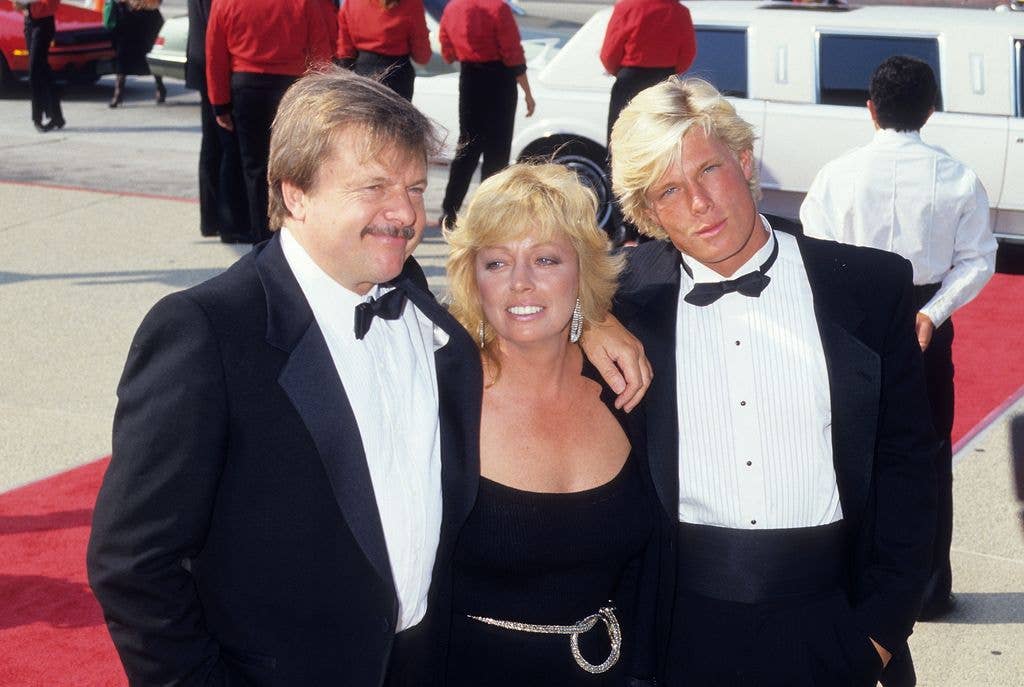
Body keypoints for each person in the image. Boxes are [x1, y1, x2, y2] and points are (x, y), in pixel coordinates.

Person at [86, 68, 651, 686]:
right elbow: (133, 564)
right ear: (295, 194)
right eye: (375, 186)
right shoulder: (207, 332)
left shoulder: (421, 310)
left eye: (415, 187)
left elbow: (529, 308)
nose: (405, 213)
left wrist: (593, 320)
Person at [607, 77, 938, 686]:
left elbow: (910, 470)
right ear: (648, 213)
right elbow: (507, 304)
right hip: (675, 635)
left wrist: (879, 633)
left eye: (708, 170)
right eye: (669, 190)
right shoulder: (618, 301)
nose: (698, 203)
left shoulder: (867, 287)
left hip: (833, 624)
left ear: (744, 160)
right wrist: (585, 320)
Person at [441, 162, 662, 686]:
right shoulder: (439, 396)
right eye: (496, 262)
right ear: (473, 278)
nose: (520, 282)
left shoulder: (628, 385)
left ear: (581, 271)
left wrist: (598, 321)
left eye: (545, 259)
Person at [800, 55, 997, 621]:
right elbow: (978, 261)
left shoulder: (837, 174)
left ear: (871, 110)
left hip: (855, 321)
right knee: (929, 456)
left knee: (846, 450)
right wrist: (932, 313)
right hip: (925, 322)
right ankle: (929, 590)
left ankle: (849, 583)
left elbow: (817, 250)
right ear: (931, 110)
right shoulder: (959, 177)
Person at [205, 0, 335, 243]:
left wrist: (219, 102)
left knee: (255, 168)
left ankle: (262, 237)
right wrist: (321, 96)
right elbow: (320, 49)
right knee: (293, 165)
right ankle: (291, 233)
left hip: (247, 86)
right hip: (291, 87)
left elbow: (215, 53)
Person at [437, 0, 535, 229]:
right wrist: (528, 92)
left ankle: (449, 211)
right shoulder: (498, 8)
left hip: (470, 78)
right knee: (497, 151)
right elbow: (513, 53)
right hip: (499, 80)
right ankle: (489, 212)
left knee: (467, 147)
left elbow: (447, 50)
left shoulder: (453, 7)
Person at [185, 0, 250, 241]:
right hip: (216, 60)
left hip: (203, 55)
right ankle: (229, 221)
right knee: (227, 145)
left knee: (212, 144)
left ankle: (211, 218)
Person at [600, 0, 695, 146]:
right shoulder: (679, 11)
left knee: (622, 139)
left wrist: (618, 72)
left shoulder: (626, 7)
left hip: (630, 82)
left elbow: (609, 53)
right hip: (664, 81)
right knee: (662, 139)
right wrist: (670, 73)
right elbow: (687, 54)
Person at [336, 0, 431, 102]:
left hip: (363, 76)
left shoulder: (351, 3)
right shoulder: (411, 4)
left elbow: (345, 53)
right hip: (398, 78)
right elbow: (422, 56)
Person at [106, 0, 166, 108]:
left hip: (148, 15)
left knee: (151, 54)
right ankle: (118, 93)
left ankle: (160, 86)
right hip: (127, 14)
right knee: (122, 54)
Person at [16, 0, 65, 132]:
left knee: (34, 71)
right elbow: (17, 5)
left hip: (43, 23)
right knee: (43, 70)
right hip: (29, 23)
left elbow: (51, 5)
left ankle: (37, 118)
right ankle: (57, 116)